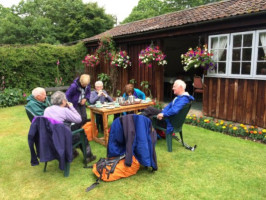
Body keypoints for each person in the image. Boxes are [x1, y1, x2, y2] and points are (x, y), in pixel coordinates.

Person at [44, 91, 96, 163]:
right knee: (81, 134)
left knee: (73, 129)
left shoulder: (47, 109)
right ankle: (89, 156)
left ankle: (73, 153)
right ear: (63, 101)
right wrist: (71, 107)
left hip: (50, 138)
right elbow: (78, 119)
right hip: (62, 140)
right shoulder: (64, 110)